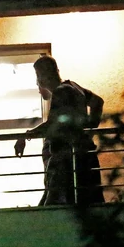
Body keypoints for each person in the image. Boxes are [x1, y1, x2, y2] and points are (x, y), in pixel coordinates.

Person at [14, 56, 105, 206]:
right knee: (88, 199)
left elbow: (51, 124)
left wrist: (26, 135)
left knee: (58, 202)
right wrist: (89, 129)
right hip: (82, 154)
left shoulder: (61, 92)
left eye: (38, 75)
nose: (38, 81)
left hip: (67, 158)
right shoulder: (73, 86)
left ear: (42, 76)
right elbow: (98, 102)